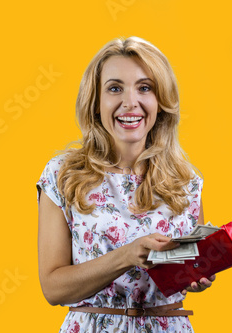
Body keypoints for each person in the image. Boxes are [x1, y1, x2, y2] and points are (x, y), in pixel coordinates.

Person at [36, 36, 215, 333]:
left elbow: (189, 271)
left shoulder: (185, 182)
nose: (130, 102)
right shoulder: (63, 176)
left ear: (161, 101)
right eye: (115, 88)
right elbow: (53, 288)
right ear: (96, 102)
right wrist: (127, 255)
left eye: (145, 88)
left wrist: (197, 277)